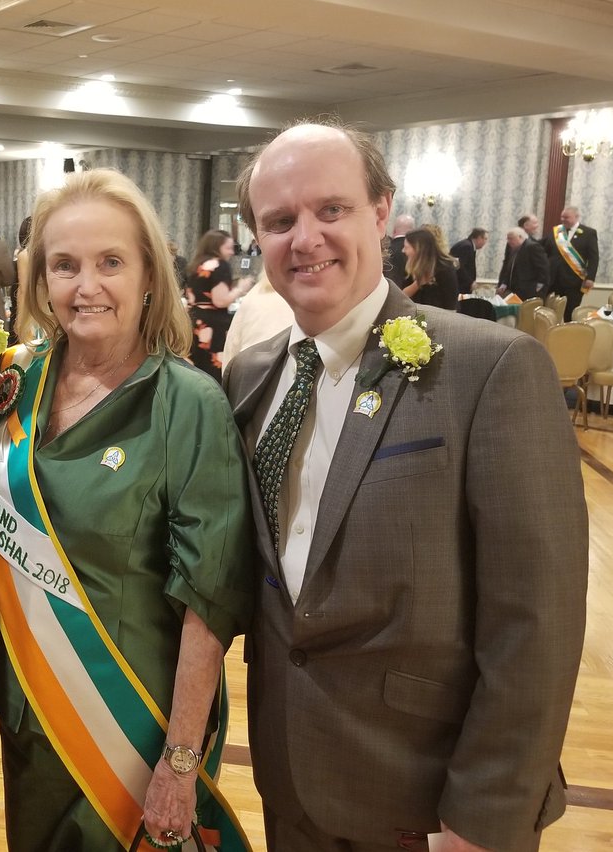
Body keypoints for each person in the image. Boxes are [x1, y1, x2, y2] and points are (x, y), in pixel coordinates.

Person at [225, 117, 587, 852]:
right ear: (255, 238)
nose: (305, 238)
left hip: (425, 801)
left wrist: (484, 819)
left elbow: (536, 622)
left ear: (382, 212)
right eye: (278, 221)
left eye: (331, 210)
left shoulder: (491, 369)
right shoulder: (250, 376)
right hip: (288, 778)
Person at [0, 168, 252, 851]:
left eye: (111, 263)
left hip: (133, 722)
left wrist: (180, 761)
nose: (86, 285)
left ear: (150, 276)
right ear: (40, 280)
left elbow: (208, 602)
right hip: (26, 708)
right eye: (64, 265)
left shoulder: (188, 403)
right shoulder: (17, 380)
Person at [186, 228, 253, 382]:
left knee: (197, 369)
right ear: (216, 247)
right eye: (228, 248)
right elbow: (220, 300)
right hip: (213, 326)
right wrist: (241, 289)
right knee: (214, 372)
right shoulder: (220, 265)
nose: (231, 252)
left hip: (195, 322)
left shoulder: (197, 265)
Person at [544, 205, 599, 321]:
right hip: (554, 280)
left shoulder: (589, 233)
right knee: (551, 312)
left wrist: (590, 278)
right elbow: (545, 252)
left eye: (567, 217)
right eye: (562, 217)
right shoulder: (557, 232)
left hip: (574, 281)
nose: (563, 220)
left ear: (576, 217)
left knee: (570, 312)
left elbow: (594, 257)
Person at [403, 227, 459, 310]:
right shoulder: (413, 266)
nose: (403, 251)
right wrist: (418, 283)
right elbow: (403, 295)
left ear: (418, 249)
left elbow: (451, 304)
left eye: (406, 247)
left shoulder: (445, 268)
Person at [497, 227, 549, 301]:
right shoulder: (514, 249)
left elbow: (543, 269)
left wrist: (539, 287)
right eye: (508, 239)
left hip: (529, 292)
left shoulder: (532, 247)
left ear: (520, 237)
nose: (508, 241)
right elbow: (509, 270)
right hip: (515, 291)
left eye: (511, 238)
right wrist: (504, 284)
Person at [449, 228, 487, 294]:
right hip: (460, 285)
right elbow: (460, 267)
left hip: (459, 284)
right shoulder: (467, 247)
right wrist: (470, 282)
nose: (485, 242)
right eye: (485, 239)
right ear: (479, 238)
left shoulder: (467, 244)